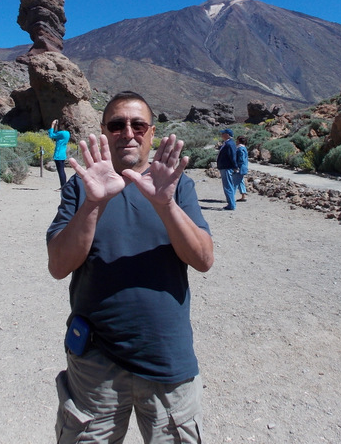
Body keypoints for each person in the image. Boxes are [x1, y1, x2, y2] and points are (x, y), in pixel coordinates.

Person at [46, 91, 214, 443]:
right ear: (105, 132)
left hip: (166, 356)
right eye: (117, 125)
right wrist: (94, 203)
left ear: (151, 133)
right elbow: (59, 266)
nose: (128, 132)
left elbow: (202, 260)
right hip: (95, 361)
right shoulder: (82, 187)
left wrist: (165, 204)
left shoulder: (177, 185)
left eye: (138, 125)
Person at [216, 128, 238, 210]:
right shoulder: (226, 143)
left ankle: (231, 204)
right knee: (228, 185)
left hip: (227, 167)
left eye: (223, 133)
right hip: (224, 167)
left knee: (228, 186)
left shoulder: (230, 144)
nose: (221, 135)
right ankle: (231, 203)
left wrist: (235, 166)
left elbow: (232, 156)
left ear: (228, 135)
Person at [48, 118, 71, 189]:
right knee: (62, 170)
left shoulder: (61, 133)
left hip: (58, 154)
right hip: (63, 154)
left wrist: (52, 125)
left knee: (60, 171)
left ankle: (63, 186)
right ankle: (64, 185)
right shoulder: (67, 133)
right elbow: (56, 134)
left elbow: (51, 135)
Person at [234, 135, 249, 202]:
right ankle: (243, 195)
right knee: (240, 181)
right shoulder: (243, 148)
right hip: (242, 168)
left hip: (240, 168)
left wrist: (237, 166)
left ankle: (231, 196)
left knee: (235, 182)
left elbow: (241, 159)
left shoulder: (240, 149)